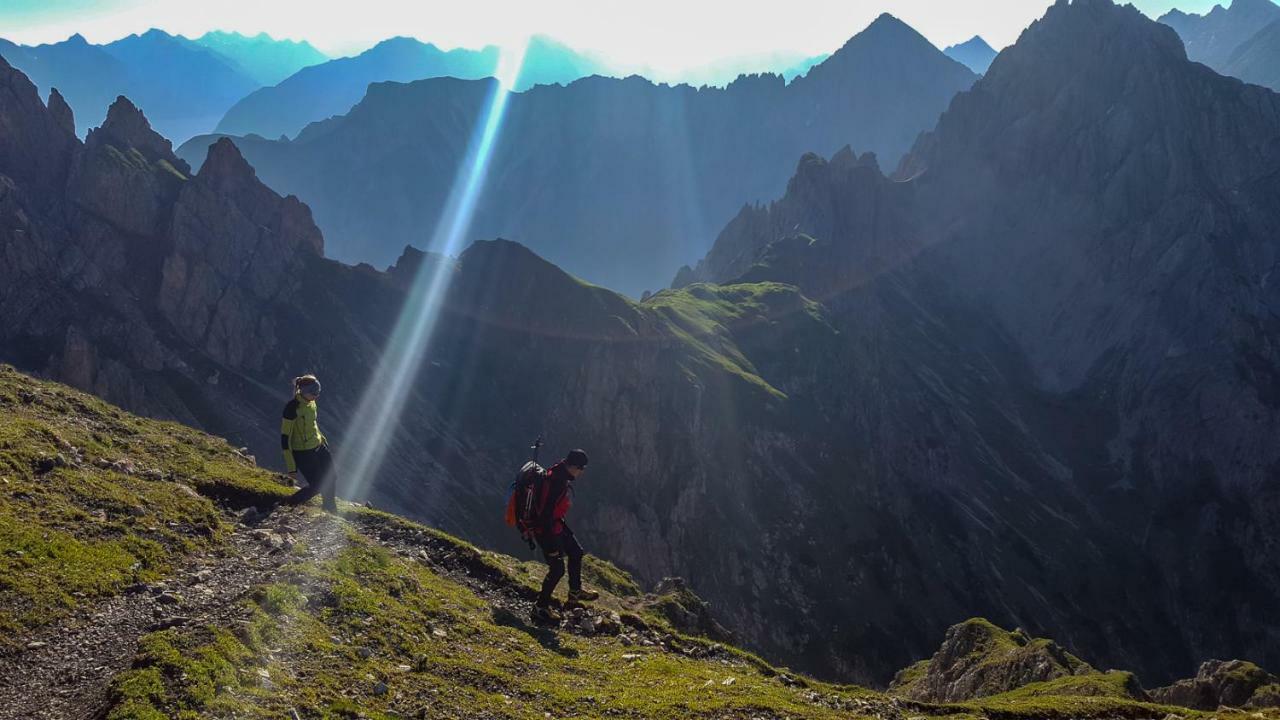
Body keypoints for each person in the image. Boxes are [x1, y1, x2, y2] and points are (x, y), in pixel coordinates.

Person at [532, 449, 599, 622]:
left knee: (576, 552)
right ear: (573, 466)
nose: (582, 472)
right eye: (581, 468)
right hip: (545, 529)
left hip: (555, 525)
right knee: (557, 569)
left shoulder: (560, 472)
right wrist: (552, 547)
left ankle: (575, 593)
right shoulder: (556, 482)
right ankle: (540, 607)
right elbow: (544, 516)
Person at [280, 374, 338, 512]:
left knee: (332, 476)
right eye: (314, 393)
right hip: (303, 452)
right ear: (304, 391)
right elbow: (285, 438)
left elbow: (313, 424)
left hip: (318, 445)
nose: (316, 396)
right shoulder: (292, 408)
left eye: (318, 393)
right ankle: (288, 504)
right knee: (317, 485)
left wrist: (322, 439)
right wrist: (291, 467)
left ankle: (330, 510)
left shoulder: (312, 403)